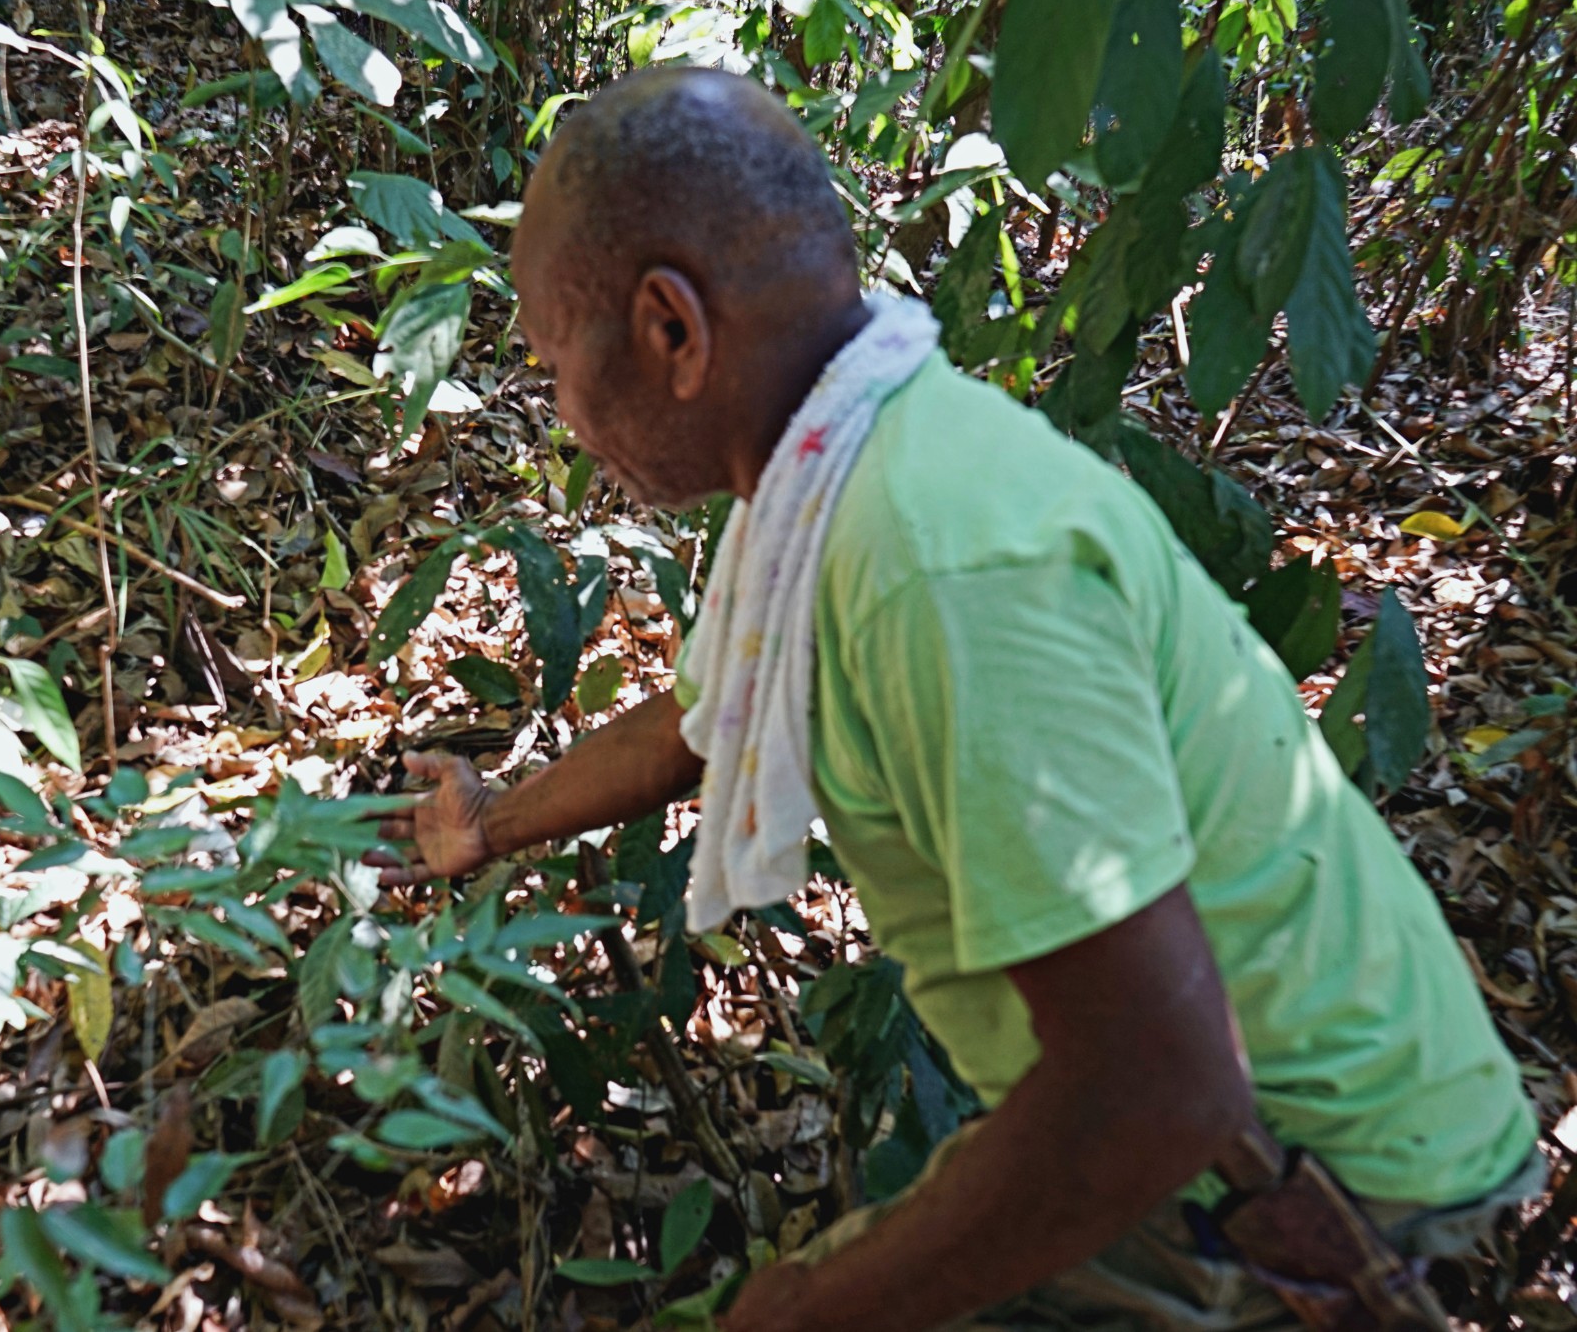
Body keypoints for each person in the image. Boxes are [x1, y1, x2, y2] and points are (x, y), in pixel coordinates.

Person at [371, 67, 1542, 1331]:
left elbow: (1155, 1087)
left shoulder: (941, 563)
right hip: (1211, 1117)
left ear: (671, 331)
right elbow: (693, 725)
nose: (559, 410)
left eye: (555, 361)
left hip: (1296, 1164)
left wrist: (809, 1307)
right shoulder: (840, 472)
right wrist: (489, 820)